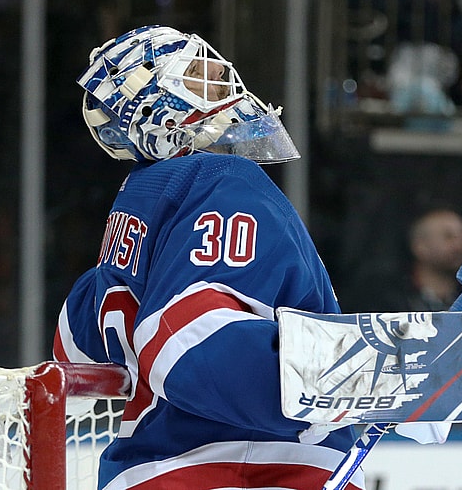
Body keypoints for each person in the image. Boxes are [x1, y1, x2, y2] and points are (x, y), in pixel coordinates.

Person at [52, 25, 365, 490]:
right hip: (249, 471)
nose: (223, 80)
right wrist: (352, 388)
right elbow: (190, 336)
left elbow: (76, 351)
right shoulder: (222, 178)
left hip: (147, 470)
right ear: (161, 110)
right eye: (200, 76)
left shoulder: (143, 197)